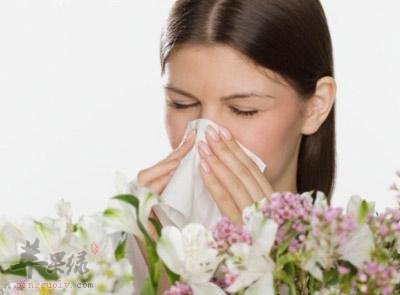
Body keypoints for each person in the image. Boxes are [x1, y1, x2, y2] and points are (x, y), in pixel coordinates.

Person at [130, 0, 337, 293]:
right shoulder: (129, 240)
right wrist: (159, 272)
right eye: (182, 104)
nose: (205, 136)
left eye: (244, 109)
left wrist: (272, 273)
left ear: (316, 107)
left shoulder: (361, 269)